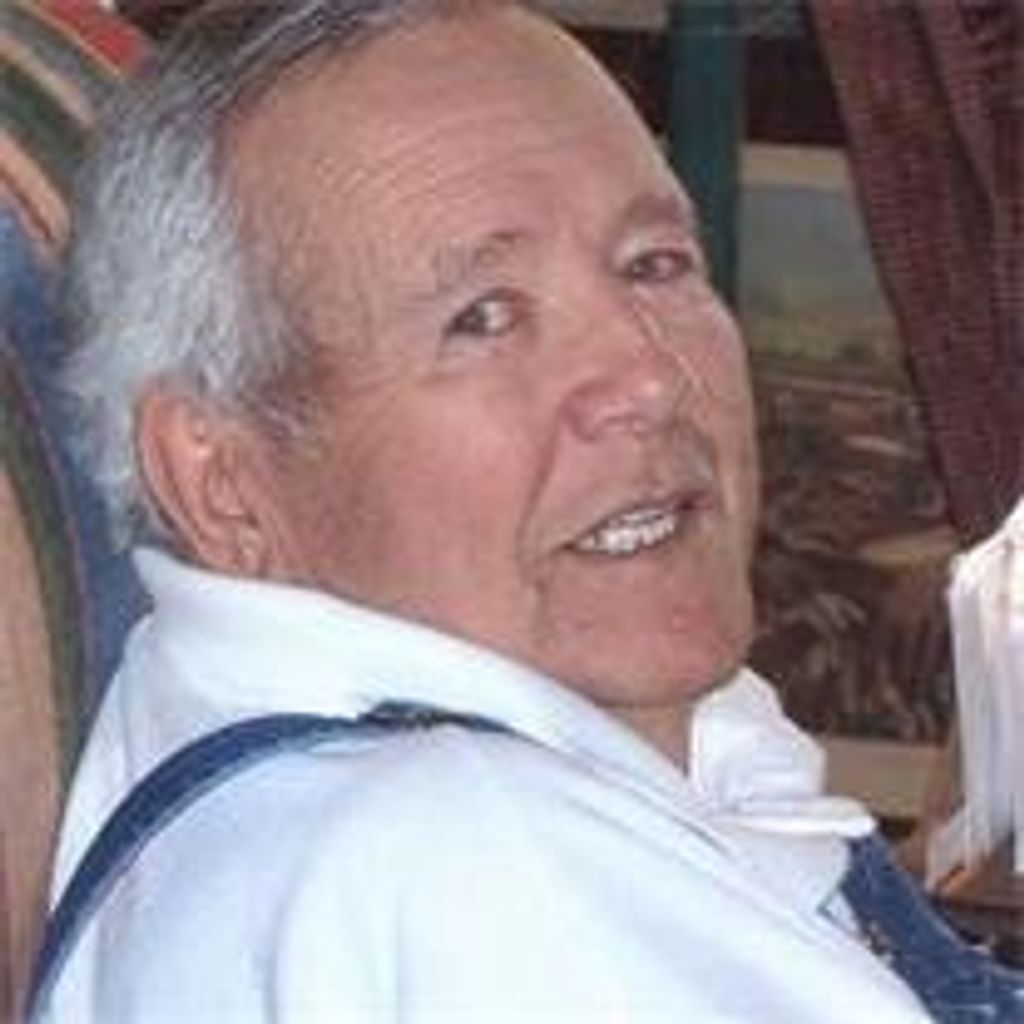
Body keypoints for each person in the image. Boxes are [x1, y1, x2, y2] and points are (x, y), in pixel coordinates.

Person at [31, 1, 1024, 1021]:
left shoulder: (254, 794)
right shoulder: (467, 869)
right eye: (484, 317)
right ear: (223, 480)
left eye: (653, 264)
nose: (649, 377)